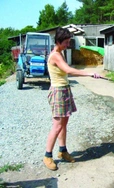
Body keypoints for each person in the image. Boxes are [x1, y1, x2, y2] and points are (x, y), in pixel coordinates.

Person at [43, 27, 101, 170]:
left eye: (69, 42)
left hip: (65, 90)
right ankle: (47, 156)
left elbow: (66, 72)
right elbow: (68, 70)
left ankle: (62, 151)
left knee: (64, 124)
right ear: (58, 41)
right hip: (58, 92)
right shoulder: (56, 55)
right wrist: (89, 74)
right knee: (56, 126)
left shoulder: (60, 53)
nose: (68, 45)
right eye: (66, 42)